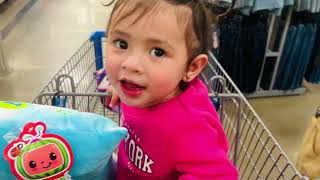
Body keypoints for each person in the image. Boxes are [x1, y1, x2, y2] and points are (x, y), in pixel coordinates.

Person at [104, 0, 238, 179]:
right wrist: (118, 88)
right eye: (122, 44)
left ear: (191, 68)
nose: (130, 65)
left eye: (157, 52)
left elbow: (219, 175)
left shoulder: (189, 125)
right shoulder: (144, 89)